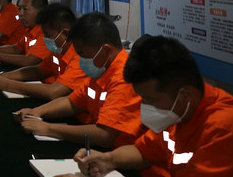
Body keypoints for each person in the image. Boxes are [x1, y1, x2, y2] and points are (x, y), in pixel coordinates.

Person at [42, 35, 233, 177]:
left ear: (184, 95)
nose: (143, 106)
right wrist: (107, 159)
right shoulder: (180, 109)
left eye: (150, 99)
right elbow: (144, 151)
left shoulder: (225, 129)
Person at [14, 12, 144, 150]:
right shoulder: (102, 68)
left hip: (119, 152)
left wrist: (48, 128)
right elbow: (73, 102)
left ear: (106, 50)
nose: (81, 60)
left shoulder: (124, 78)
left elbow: (104, 136)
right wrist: (37, 112)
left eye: (82, 54)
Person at [0, 3, 87, 102]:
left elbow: (54, 92)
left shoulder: (81, 57)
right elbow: (38, 70)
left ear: (65, 33)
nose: (45, 39)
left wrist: (8, 85)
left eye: (47, 35)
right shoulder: (59, 49)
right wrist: (3, 76)